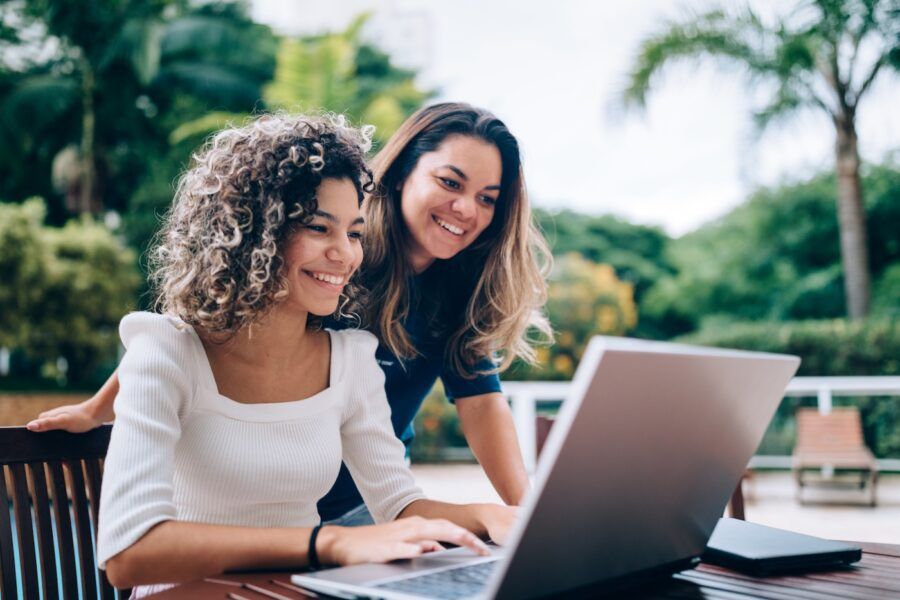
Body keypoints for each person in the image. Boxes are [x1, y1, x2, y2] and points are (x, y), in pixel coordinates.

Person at [29, 102, 552, 527]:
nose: (467, 209)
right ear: (399, 176)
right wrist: (99, 408)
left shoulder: (459, 291)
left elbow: (482, 405)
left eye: (488, 198)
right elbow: (197, 329)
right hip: (265, 503)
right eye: (450, 183)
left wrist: (523, 513)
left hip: (367, 500)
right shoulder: (333, 260)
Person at [97, 114, 516, 593]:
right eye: (320, 228)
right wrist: (327, 544)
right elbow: (128, 556)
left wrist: (491, 516)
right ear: (250, 231)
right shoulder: (167, 352)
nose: (346, 254)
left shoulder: (353, 359)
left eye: (354, 233)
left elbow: (399, 503)